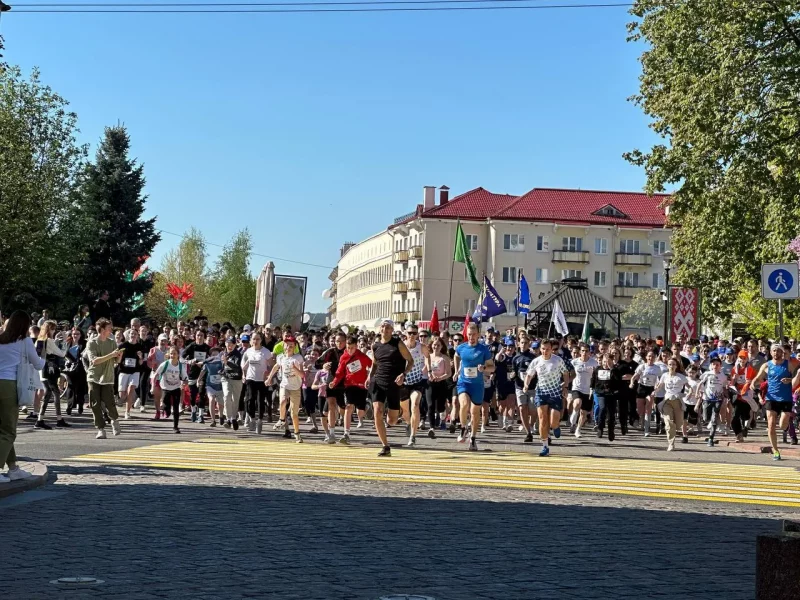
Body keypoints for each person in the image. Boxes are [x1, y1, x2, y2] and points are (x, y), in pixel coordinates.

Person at [0, 311, 47, 482]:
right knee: (8, 431)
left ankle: (13, 468)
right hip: (9, 385)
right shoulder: (25, 341)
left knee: (2, 428)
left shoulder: (0, 338)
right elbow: (37, 363)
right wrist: (45, 359)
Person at [367, 319, 413, 457]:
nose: (385, 329)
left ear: (392, 330)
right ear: (380, 329)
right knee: (377, 411)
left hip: (394, 383)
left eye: (388, 327)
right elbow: (375, 363)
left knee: (391, 421)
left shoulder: (397, 343)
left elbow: (410, 361)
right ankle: (385, 446)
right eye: (383, 327)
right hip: (378, 381)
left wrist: (403, 374)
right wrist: (369, 376)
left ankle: (397, 412)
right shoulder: (375, 346)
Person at [750, 343, 800, 460]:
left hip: (786, 399)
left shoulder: (789, 365)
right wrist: (753, 384)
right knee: (771, 425)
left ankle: (786, 427)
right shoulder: (766, 366)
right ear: (771, 352)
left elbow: (797, 379)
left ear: (782, 353)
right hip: (771, 398)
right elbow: (758, 378)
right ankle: (776, 451)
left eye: (778, 351)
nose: (776, 353)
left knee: (782, 425)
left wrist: (790, 380)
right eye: (774, 351)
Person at [453, 322, 495, 452]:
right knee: (464, 404)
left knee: (475, 412)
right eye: (469, 334)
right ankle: (463, 428)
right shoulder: (461, 348)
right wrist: (456, 370)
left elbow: (492, 367)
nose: (471, 337)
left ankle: (473, 438)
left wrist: (484, 368)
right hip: (464, 382)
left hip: (477, 385)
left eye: (474, 334)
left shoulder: (483, 349)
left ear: (478, 335)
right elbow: (456, 356)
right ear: (466, 334)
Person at [523, 338, 568, 456]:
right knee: (542, 419)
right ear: (540, 349)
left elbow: (565, 373)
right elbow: (529, 375)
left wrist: (565, 386)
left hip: (555, 393)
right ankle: (545, 446)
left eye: (547, 349)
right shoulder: (536, 361)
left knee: (553, 422)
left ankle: (556, 426)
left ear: (551, 350)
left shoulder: (557, 360)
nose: (545, 351)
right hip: (541, 392)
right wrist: (526, 385)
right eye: (543, 349)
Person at [329, 335, 372, 445]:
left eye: (352, 348)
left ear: (356, 346)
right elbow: (340, 372)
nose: (350, 350)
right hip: (349, 385)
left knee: (360, 412)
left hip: (361, 386)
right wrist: (334, 382)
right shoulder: (344, 357)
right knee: (349, 407)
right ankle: (346, 433)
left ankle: (366, 406)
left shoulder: (362, 356)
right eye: (348, 348)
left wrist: (369, 375)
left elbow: (372, 366)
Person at [85, 318, 122, 439]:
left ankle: (114, 420)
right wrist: (111, 355)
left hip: (108, 377)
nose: (111, 330)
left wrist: (119, 356)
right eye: (108, 328)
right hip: (94, 376)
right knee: (95, 403)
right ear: (102, 330)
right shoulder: (92, 343)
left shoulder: (112, 342)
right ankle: (100, 429)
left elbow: (116, 361)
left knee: (109, 403)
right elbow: (94, 361)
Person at [267, 335, 306, 442]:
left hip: (296, 387)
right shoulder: (281, 357)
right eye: (287, 345)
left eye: (291, 346)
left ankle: (297, 433)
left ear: (294, 347)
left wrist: (294, 368)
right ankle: (281, 419)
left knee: (294, 414)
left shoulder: (298, 358)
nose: (288, 348)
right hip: (285, 385)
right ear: (284, 346)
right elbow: (276, 367)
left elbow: (302, 375)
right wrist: (269, 378)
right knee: (283, 400)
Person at [34, 320, 69, 429]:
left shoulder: (40, 340)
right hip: (50, 369)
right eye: (53, 329)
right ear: (50, 330)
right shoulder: (49, 340)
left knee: (48, 393)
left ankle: (40, 419)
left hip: (42, 369)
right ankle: (58, 418)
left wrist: (56, 341)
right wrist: (64, 341)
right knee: (56, 393)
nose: (54, 331)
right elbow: (62, 353)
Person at [400, 324, 430, 448]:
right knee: (405, 410)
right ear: (406, 334)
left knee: (415, 404)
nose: (412, 335)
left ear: (417, 334)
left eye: (414, 333)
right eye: (410, 333)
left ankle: (413, 436)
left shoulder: (421, 347)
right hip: (404, 382)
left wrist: (428, 369)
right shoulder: (401, 346)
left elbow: (428, 357)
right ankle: (408, 423)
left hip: (417, 381)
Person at [651, 357, 688, 451]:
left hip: (677, 400)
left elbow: (689, 387)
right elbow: (659, 386)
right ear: (667, 366)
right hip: (667, 400)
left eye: (674, 364)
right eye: (670, 364)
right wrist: (654, 392)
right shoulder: (664, 376)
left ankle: (674, 434)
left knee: (678, 423)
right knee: (669, 422)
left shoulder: (681, 377)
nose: (672, 366)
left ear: (676, 366)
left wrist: (691, 393)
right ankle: (671, 443)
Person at [242, 332, 272, 433]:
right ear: (251, 341)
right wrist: (243, 375)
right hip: (250, 378)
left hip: (262, 380)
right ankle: (252, 419)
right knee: (250, 399)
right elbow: (244, 365)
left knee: (260, 401)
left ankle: (260, 421)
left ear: (261, 340)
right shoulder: (248, 351)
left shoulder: (266, 352)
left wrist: (269, 376)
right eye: (254, 339)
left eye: (258, 339)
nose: (255, 341)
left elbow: (271, 365)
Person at [154, 345, 187, 433]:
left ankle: (175, 427)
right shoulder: (165, 364)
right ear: (169, 354)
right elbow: (156, 374)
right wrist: (153, 385)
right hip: (165, 387)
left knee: (176, 407)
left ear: (178, 355)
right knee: (166, 404)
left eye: (174, 354)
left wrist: (184, 383)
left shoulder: (180, 366)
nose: (173, 355)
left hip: (176, 387)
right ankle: (166, 410)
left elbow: (185, 378)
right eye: (171, 354)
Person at [568, 344, 598, 438]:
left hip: (588, 390)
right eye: (583, 351)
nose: (584, 353)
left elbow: (597, 376)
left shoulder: (594, 363)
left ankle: (578, 429)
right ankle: (573, 418)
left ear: (589, 352)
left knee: (584, 413)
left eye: (586, 351)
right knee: (577, 403)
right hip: (577, 388)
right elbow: (569, 373)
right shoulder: (574, 362)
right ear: (580, 352)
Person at [512, 335, 537, 443]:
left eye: (525, 343)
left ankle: (531, 425)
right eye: (521, 343)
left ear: (529, 344)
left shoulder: (533, 358)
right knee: (522, 408)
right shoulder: (515, 358)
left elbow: (537, 371)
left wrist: (531, 375)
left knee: (532, 408)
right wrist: (513, 375)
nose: (523, 345)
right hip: (519, 387)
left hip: (532, 387)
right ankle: (528, 433)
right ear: (518, 344)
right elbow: (513, 371)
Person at [699, 356, 728, 447]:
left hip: (717, 399)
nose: (715, 366)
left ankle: (711, 438)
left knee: (714, 418)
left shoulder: (723, 376)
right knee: (706, 418)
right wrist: (698, 393)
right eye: (713, 364)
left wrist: (726, 396)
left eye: (717, 364)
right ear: (711, 365)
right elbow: (700, 383)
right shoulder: (707, 374)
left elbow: (724, 387)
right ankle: (711, 421)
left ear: (720, 366)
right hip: (707, 398)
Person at [183, 330, 211, 423]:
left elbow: (211, 358)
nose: (200, 337)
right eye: (198, 335)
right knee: (193, 394)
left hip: (203, 373)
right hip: (193, 373)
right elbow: (182, 357)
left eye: (201, 335)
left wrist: (204, 362)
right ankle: (194, 411)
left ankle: (201, 415)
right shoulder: (191, 346)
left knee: (202, 393)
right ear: (195, 336)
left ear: (204, 337)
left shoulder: (207, 348)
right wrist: (190, 361)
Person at [427, 336, 452, 439]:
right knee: (430, 405)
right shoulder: (428, 356)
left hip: (441, 383)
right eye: (434, 345)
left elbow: (448, 373)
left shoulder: (444, 358)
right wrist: (429, 374)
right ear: (431, 345)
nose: (436, 346)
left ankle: (442, 415)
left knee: (440, 407)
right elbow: (427, 369)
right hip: (430, 383)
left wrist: (440, 378)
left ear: (441, 346)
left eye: (438, 345)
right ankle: (432, 427)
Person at [117, 327, 144, 420]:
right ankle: (121, 399)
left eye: (135, 334)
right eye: (131, 334)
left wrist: (140, 357)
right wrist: (120, 357)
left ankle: (127, 412)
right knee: (122, 395)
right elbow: (117, 361)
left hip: (135, 371)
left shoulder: (140, 347)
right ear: (128, 335)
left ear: (137, 336)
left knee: (131, 390)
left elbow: (141, 363)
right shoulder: (122, 345)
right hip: (124, 371)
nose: (133, 336)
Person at [221, 336, 243, 431]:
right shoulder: (223, 353)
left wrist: (227, 363)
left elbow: (237, 366)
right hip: (226, 378)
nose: (229, 346)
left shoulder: (238, 354)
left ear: (235, 345)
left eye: (232, 344)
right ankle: (228, 419)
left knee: (235, 399)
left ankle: (233, 418)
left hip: (237, 379)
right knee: (226, 396)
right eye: (228, 343)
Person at [200, 347, 226, 427]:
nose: (214, 356)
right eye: (213, 354)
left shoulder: (222, 363)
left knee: (220, 404)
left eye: (216, 354)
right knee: (211, 400)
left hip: (220, 385)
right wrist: (198, 380)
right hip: (210, 385)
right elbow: (203, 371)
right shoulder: (207, 363)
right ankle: (213, 420)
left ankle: (221, 416)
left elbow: (226, 371)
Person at [147, 334, 169, 420]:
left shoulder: (169, 350)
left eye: (165, 341)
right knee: (157, 395)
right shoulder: (153, 350)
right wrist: (153, 362)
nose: (163, 342)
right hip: (156, 373)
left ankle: (164, 408)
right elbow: (149, 364)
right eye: (161, 340)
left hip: (167, 374)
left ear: (167, 342)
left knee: (165, 393)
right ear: (158, 340)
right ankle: (158, 412)